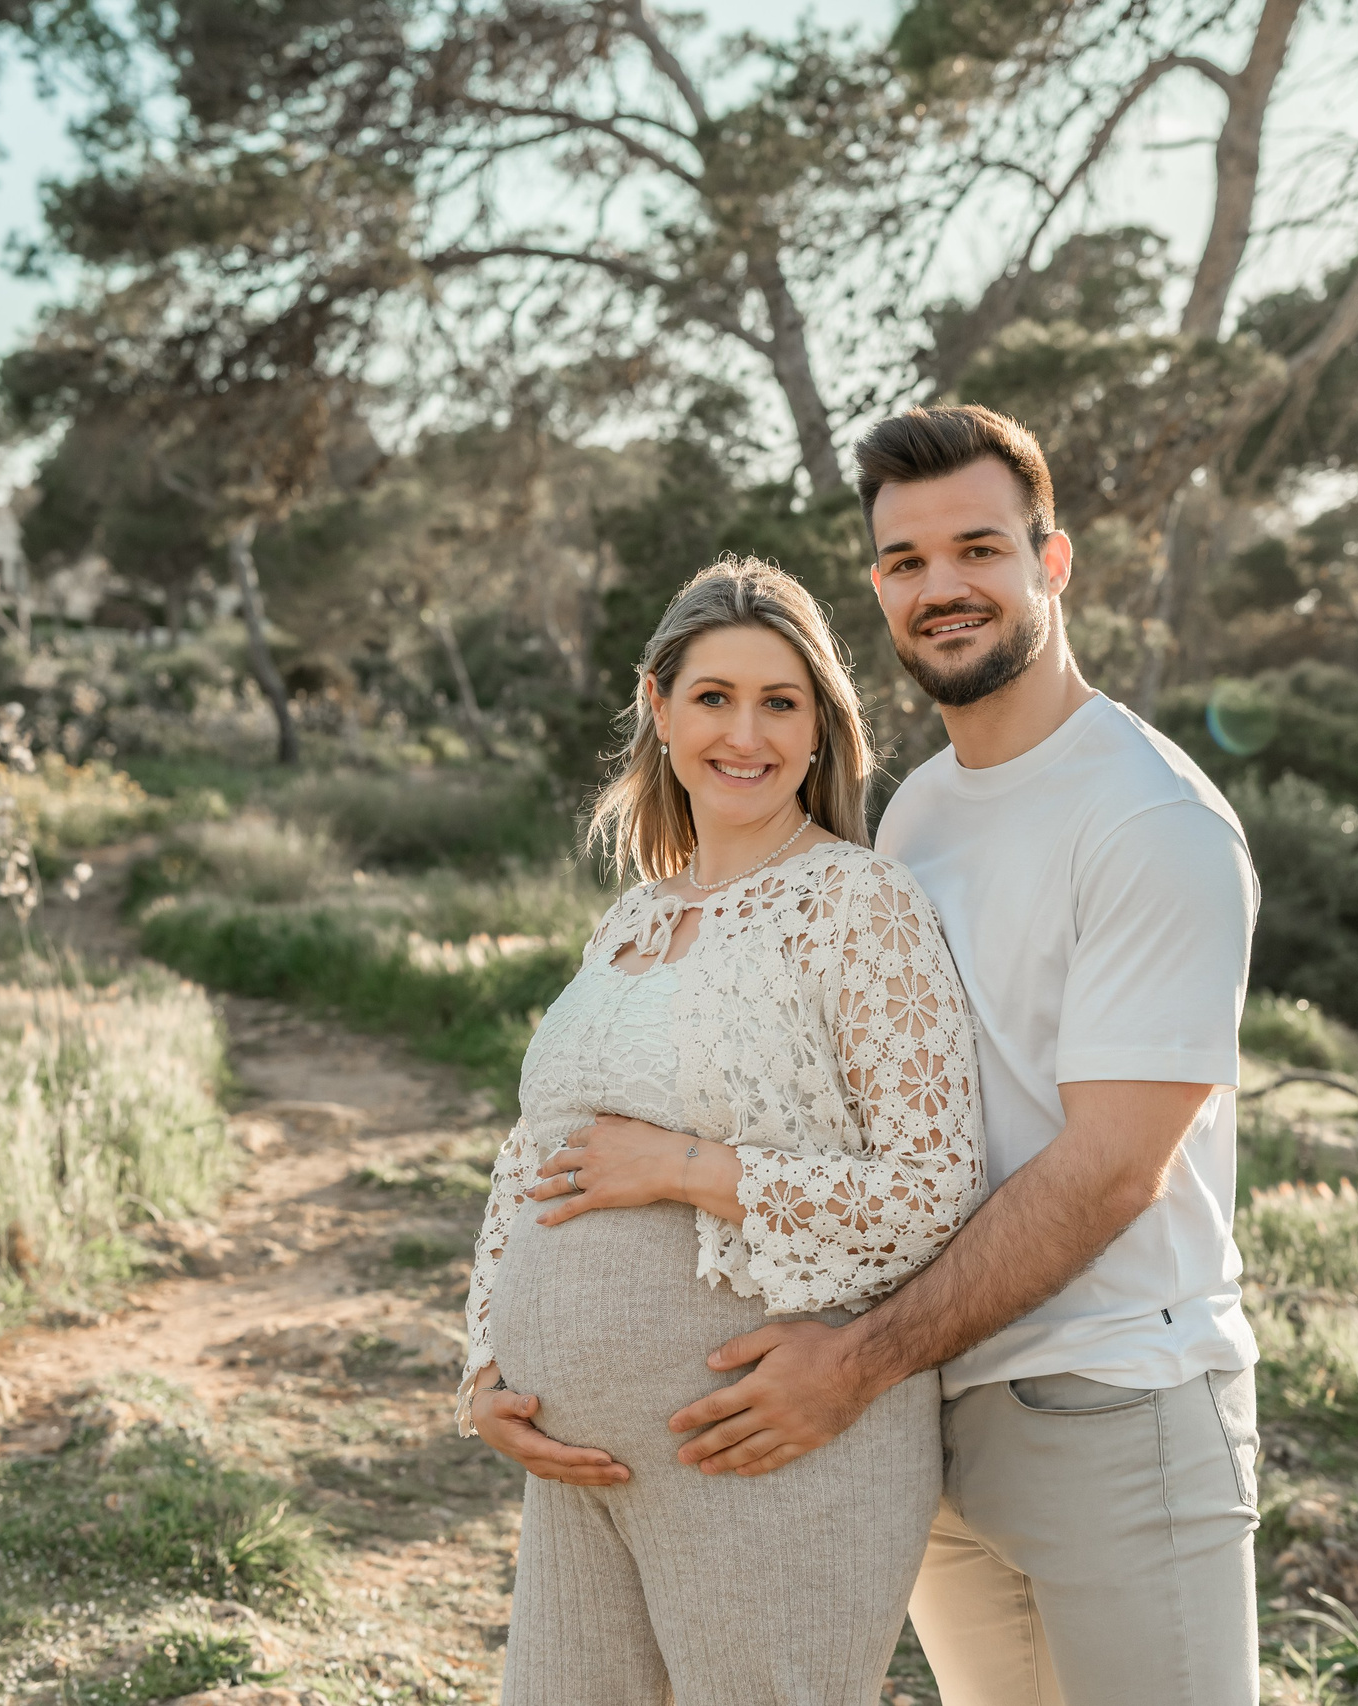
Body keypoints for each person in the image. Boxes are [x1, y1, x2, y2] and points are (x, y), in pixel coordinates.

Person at [662, 406, 1265, 1706]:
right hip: (930, 1399)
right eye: (905, 562)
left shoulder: (1152, 820)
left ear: (1052, 562)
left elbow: (1113, 1169)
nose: (942, 588)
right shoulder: (919, 809)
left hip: (1114, 1397)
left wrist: (858, 1358)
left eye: (978, 549)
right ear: (877, 585)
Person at [458, 556, 988, 1706]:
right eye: (712, 697)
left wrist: (687, 1167)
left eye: (778, 701)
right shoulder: (636, 914)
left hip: (764, 1452)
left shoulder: (859, 903)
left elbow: (933, 1184)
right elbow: (526, 1155)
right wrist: (486, 1363)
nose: (743, 732)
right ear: (658, 707)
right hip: (575, 1462)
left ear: (818, 730)